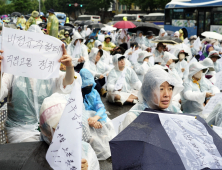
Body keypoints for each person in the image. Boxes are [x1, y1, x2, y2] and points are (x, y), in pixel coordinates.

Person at [0, 39, 79, 143]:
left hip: (48, 128)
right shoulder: (13, 73)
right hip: (19, 131)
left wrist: (69, 67)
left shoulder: (49, 72)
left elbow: (67, 84)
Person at [39, 93, 100, 170]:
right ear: (46, 131)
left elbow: (93, 165)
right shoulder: (40, 152)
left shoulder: (84, 149)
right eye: (57, 128)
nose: (64, 133)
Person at [119, 66, 184, 132]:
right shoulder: (134, 117)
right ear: (148, 91)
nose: (167, 94)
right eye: (161, 89)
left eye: (170, 89)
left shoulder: (174, 112)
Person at [79, 68, 116, 160]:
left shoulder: (94, 93)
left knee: (108, 124)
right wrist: (89, 120)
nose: (89, 86)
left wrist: (95, 118)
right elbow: (78, 112)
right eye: (86, 85)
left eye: (91, 84)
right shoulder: (77, 94)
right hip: (83, 120)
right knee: (91, 136)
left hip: (95, 118)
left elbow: (101, 108)